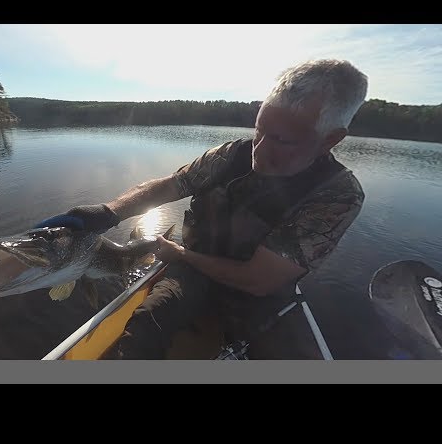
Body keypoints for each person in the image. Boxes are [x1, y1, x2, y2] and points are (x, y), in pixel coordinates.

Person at [39, 58, 368, 359]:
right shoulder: (233, 154)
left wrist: (181, 255)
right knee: (143, 327)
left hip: (254, 297)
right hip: (192, 273)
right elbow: (172, 184)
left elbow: (257, 281)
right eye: (258, 132)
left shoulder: (337, 194)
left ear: (330, 140)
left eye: (282, 141)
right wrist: (108, 212)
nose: (259, 152)